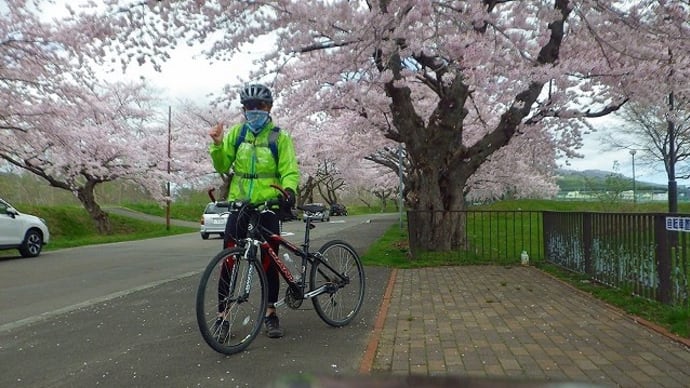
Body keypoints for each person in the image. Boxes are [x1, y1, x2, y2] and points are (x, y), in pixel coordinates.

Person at [208, 83, 300, 339]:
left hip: (268, 206)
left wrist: (288, 191)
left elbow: (289, 170)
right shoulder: (237, 134)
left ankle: (270, 312)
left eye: (259, 106)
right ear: (244, 109)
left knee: (269, 261)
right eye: (249, 106)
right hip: (241, 206)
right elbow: (223, 164)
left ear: (269, 107)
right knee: (228, 261)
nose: (254, 111)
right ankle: (222, 316)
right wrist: (217, 145)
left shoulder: (279, 138)